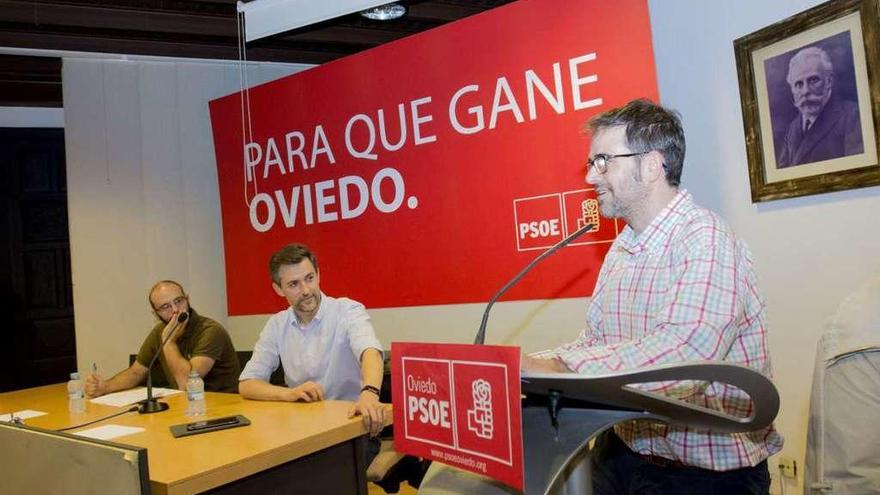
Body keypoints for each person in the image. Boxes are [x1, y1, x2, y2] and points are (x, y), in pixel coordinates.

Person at [522, 99, 784, 494]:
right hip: (623, 455)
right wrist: (525, 366)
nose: (592, 177)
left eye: (603, 161)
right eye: (591, 164)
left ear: (651, 165)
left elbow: (686, 355)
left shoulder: (706, 238)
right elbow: (595, 343)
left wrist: (561, 368)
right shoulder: (622, 248)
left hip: (704, 478)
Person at [238, 243, 386, 437]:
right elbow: (247, 383)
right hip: (301, 430)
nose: (306, 290)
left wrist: (369, 392)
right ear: (278, 289)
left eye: (309, 278)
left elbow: (370, 352)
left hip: (351, 426)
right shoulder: (277, 324)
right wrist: (289, 394)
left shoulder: (347, 310)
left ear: (318, 275)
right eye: (294, 284)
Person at [85, 280, 240, 397]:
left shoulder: (210, 330)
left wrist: (170, 342)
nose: (175, 310)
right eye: (165, 307)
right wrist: (104, 387)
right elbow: (136, 373)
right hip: (185, 406)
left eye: (179, 301)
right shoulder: (160, 331)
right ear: (155, 314)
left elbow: (187, 384)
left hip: (221, 407)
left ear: (188, 299)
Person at [776, 46, 863, 168]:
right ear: (792, 90)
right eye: (799, 84)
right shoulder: (792, 128)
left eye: (813, 80)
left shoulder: (853, 116)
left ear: (829, 81)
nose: (805, 91)